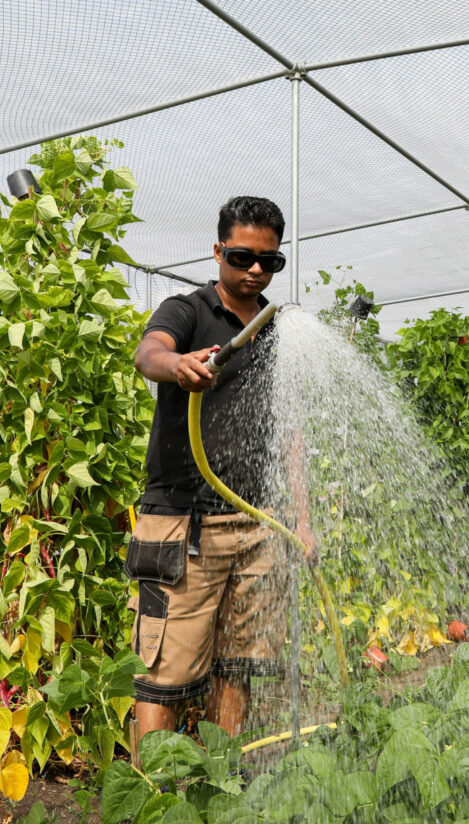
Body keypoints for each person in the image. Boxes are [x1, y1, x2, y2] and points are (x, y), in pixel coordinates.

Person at [127, 196, 316, 754]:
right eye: (242, 256)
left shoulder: (275, 330)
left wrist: (301, 522)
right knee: (162, 678)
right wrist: (178, 366)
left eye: (269, 261)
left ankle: (219, 792)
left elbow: (289, 433)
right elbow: (148, 352)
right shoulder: (188, 311)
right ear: (218, 252)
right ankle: (153, 816)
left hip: (257, 528)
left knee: (241, 667)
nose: (255, 269)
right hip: (184, 528)